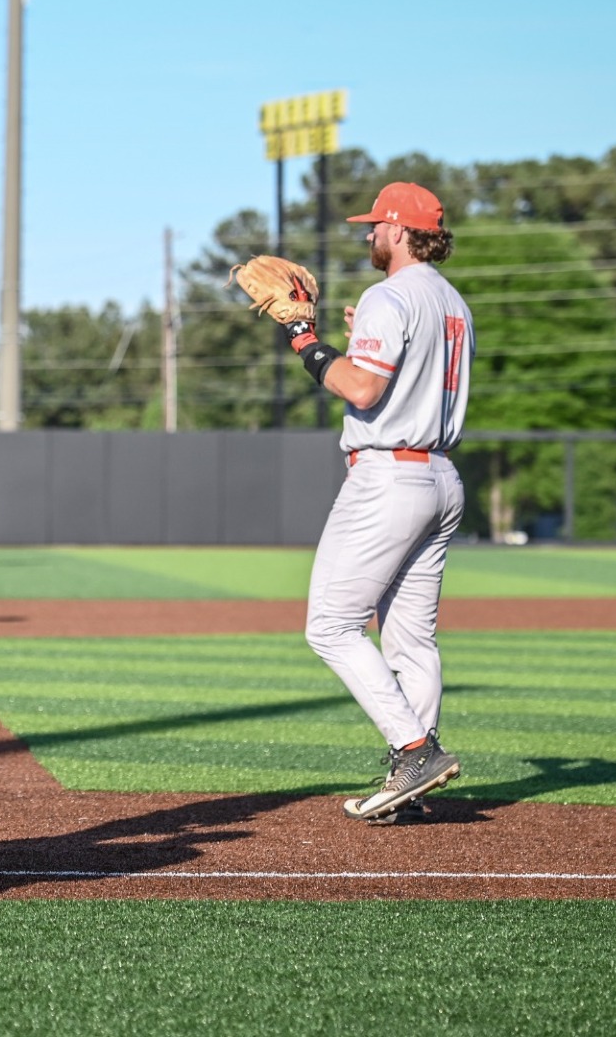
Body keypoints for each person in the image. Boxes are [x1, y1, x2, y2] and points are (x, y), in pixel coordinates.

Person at [257, 182, 473, 826]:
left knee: (330, 626)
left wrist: (304, 336)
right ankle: (415, 776)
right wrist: (359, 341)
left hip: (389, 477)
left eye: (376, 226)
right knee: (411, 637)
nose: (368, 235)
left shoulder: (391, 294)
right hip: (441, 476)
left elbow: (360, 387)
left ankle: (414, 751)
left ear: (401, 230)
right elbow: (397, 373)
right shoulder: (451, 300)